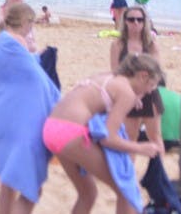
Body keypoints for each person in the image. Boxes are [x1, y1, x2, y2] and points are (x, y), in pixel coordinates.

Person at [43, 53, 163, 214]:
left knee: (88, 193)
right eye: (152, 86)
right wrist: (141, 148)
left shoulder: (109, 77)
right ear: (143, 76)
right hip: (71, 133)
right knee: (126, 190)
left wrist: (135, 96)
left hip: (51, 128)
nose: (150, 92)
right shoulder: (126, 92)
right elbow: (108, 138)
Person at [0, 3, 59, 214]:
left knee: (8, 183)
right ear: (26, 23)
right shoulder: (15, 41)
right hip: (19, 120)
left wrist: (34, 55)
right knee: (31, 188)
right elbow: (37, 78)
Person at [109, 6, 164, 154]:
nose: (136, 23)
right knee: (130, 138)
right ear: (125, 22)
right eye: (131, 19)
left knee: (155, 137)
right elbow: (116, 73)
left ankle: (158, 174)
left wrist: (140, 95)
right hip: (126, 95)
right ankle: (130, 175)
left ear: (144, 22)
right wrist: (131, 96)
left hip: (149, 93)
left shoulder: (151, 45)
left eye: (139, 20)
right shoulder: (118, 45)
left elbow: (156, 75)